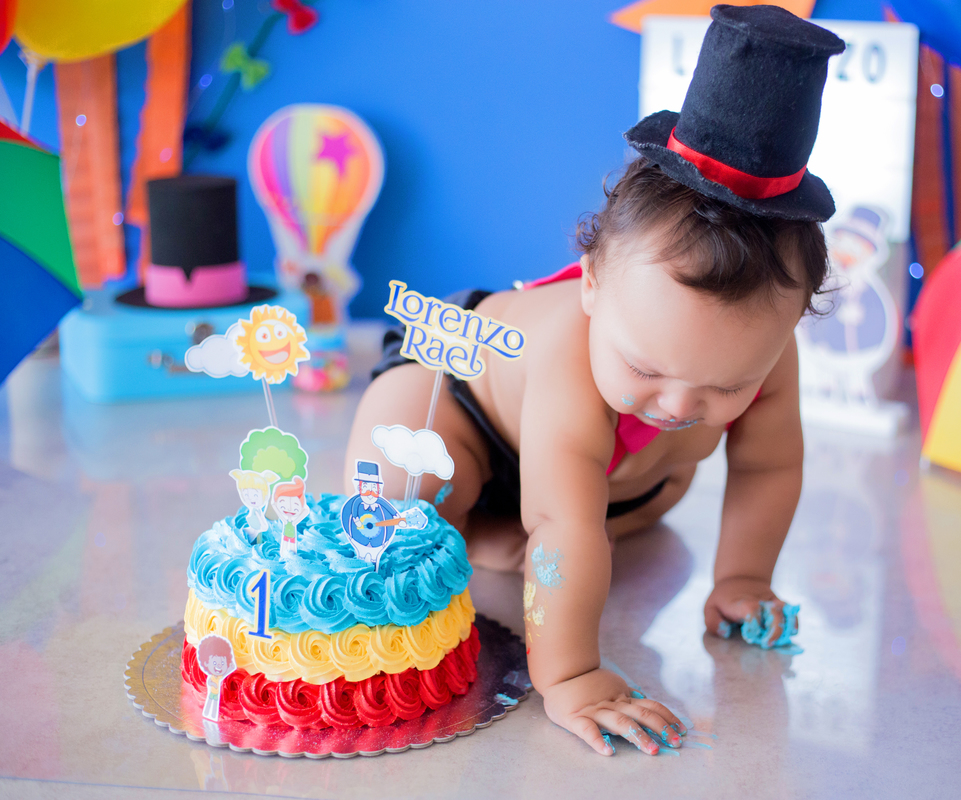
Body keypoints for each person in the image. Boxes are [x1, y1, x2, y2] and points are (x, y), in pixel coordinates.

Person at [346, 5, 843, 756]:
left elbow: (770, 465)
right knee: (408, 486)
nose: (680, 405)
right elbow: (564, 530)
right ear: (589, 284)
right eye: (645, 367)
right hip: (467, 404)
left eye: (728, 385)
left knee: (650, 494)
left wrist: (742, 578)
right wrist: (571, 674)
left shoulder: (764, 358)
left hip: (598, 476)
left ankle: (492, 527)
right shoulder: (567, 355)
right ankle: (471, 521)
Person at [340, 460, 426, 565]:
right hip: (358, 538)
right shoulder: (355, 502)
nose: (370, 493)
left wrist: (400, 520)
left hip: (379, 541)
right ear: (359, 488)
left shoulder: (381, 504)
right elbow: (354, 510)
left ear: (379, 489)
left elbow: (393, 512)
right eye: (366, 488)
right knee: (362, 556)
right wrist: (356, 519)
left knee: (374, 559)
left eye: (374, 489)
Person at [228, 468, 279, 539]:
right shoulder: (255, 511)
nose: (251, 498)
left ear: (265, 494)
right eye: (246, 495)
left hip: (254, 531)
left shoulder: (258, 512)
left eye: (255, 495)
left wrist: (260, 527)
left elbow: (263, 526)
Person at [271, 476, 310, 555]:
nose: (289, 508)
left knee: (292, 547)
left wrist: (304, 510)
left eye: (296, 504)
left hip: (292, 536)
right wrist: (274, 505)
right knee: (284, 547)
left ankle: (291, 557)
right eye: (282, 502)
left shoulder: (294, 522)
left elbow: (306, 511)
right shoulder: (285, 520)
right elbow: (278, 512)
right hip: (286, 536)